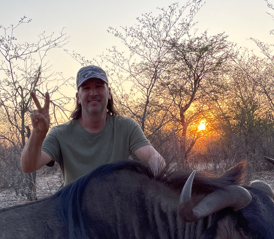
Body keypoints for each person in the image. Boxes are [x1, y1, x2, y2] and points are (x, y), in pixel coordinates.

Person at [20, 65, 165, 186]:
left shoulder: (126, 126)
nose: (93, 93)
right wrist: (37, 134)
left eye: (99, 86)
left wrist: (155, 181)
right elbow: (28, 166)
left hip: (117, 212)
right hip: (75, 214)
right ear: (78, 97)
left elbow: (153, 158)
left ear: (108, 94)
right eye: (86, 88)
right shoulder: (59, 133)